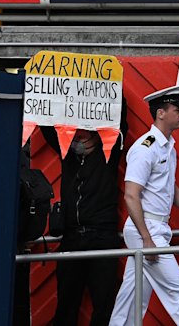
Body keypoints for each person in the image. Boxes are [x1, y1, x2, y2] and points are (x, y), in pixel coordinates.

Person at [109, 85, 179, 326]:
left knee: (132, 297)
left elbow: (169, 189)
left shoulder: (167, 145)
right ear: (161, 113)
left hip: (152, 228)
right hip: (146, 228)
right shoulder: (145, 148)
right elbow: (131, 195)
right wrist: (147, 238)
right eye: (177, 110)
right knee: (178, 293)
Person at [41, 99, 128, 326]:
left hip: (102, 236)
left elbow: (121, 121)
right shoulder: (68, 154)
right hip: (72, 237)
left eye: (85, 130)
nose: (79, 135)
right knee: (66, 305)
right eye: (76, 130)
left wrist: (103, 87)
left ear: (96, 133)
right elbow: (46, 124)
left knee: (104, 305)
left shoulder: (109, 153)